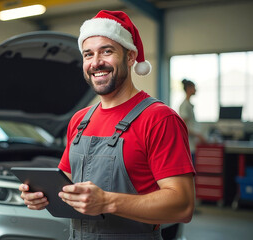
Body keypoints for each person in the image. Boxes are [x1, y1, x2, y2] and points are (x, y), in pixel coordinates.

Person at [19, 10, 195, 239]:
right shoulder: (80, 120)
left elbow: (182, 206)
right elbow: (67, 182)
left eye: (107, 51)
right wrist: (42, 195)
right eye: (88, 54)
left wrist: (108, 201)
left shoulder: (159, 119)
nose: (96, 63)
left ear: (131, 57)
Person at [179, 79, 206, 163]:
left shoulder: (189, 105)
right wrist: (198, 135)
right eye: (194, 88)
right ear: (188, 89)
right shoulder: (184, 106)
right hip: (189, 146)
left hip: (192, 145)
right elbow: (184, 127)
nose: (195, 90)